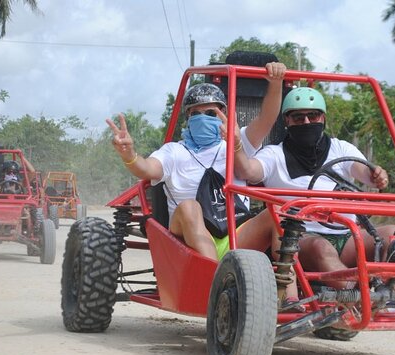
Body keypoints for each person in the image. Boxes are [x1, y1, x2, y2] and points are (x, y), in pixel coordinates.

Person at [106, 62, 286, 261]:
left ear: (223, 115)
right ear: (188, 118)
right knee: (189, 207)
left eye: (210, 114)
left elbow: (266, 119)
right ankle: (214, 279)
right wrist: (129, 154)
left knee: (277, 212)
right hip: (189, 238)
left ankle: (288, 291)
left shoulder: (236, 143)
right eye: (195, 114)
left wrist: (276, 83)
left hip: (237, 235)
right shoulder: (174, 151)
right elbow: (147, 169)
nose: (203, 119)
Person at [233, 86, 395, 291]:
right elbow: (248, 171)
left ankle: (394, 300)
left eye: (313, 116)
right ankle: (357, 298)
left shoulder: (340, 148)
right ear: (287, 121)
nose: (306, 122)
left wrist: (377, 175)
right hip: (302, 240)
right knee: (321, 247)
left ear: (322, 118)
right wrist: (236, 144)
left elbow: (364, 172)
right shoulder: (274, 154)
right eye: (298, 118)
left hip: (346, 236)